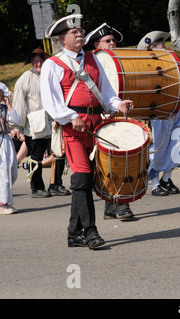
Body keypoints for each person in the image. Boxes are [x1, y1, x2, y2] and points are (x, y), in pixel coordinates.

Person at [40, 14, 134, 249]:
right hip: (74, 129)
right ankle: (91, 232)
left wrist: (118, 104)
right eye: (74, 32)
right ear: (63, 38)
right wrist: (70, 116)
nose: (80, 34)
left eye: (81, 31)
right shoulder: (54, 63)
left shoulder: (93, 58)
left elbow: (106, 91)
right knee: (81, 179)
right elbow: (50, 101)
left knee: (86, 182)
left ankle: (74, 233)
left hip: (96, 126)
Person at [84, 23, 135, 220]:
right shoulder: (92, 63)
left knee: (123, 160)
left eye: (113, 40)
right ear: (97, 45)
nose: (112, 43)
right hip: (103, 116)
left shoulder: (123, 61)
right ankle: (117, 203)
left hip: (122, 114)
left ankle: (115, 204)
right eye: (108, 41)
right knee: (110, 162)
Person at [12, 48, 70, 198]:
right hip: (34, 125)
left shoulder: (52, 76)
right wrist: (17, 126)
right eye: (35, 61)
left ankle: (56, 184)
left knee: (59, 153)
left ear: (46, 62)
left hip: (54, 122)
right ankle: (37, 188)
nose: (38, 64)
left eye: (41, 61)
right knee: (36, 156)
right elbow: (18, 104)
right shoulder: (25, 78)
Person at [138, 31, 180, 196]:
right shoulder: (146, 67)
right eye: (161, 43)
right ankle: (155, 183)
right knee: (158, 147)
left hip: (176, 107)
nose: (164, 45)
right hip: (159, 109)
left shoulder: (170, 62)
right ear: (152, 47)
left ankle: (167, 178)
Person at [0, 83, 20, 214]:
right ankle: (3, 202)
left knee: (12, 169)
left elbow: (15, 120)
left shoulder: (4, 108)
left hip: (6, 139)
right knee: (3, 172)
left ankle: (5, 200)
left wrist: (8, 104)